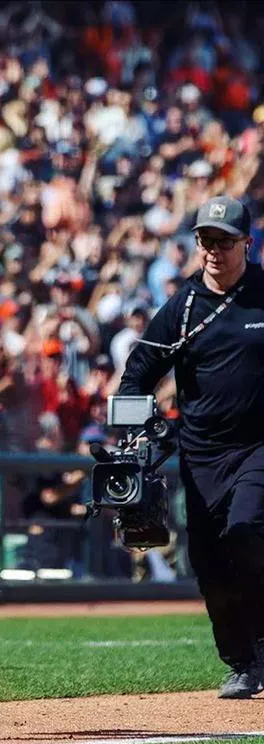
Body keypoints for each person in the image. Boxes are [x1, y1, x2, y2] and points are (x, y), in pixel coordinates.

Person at [118, 195, 264, 699]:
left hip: (257, 448)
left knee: (246, 529)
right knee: (207, 561)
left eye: (224, 241)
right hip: (200, 455)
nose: (214, 251)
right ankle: (241, 662)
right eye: (206, 240)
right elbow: (136, 376)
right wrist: (133, 435)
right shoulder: (181, 309)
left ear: (248, 242)